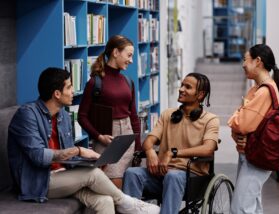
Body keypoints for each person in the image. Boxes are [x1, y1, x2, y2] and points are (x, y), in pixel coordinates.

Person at [7, 67, 160, 214]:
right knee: (91, 175)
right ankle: (126, 202)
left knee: (105, 200)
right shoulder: (27, 115)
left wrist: (90, 161)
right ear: (57, 94)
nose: (73, 91)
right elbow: (38, 156)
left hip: (65, 176)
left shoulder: (63, 116)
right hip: (38, 182)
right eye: (69, 87)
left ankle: (124, 203)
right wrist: (79, 150)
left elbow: (68, 156)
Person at [123, 73, 220, 214]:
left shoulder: (211, 120)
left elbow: (208, 149)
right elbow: (149, 141)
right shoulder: (168, 114)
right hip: (162, 175)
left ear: (200, 95)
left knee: (173, 176)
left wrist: (172, 153)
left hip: (191, 179)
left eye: (188, 87)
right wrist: (150, 152)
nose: (181, 89)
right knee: (132, 173)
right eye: (181, 85)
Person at [228, 44, 279, 214]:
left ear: (258, 61)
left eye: (246, 59)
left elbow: (241, 124)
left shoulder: (264, 92)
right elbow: (241, 121)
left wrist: (235, 120)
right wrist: (238, 120)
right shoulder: (258, 88)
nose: (243, 64)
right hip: (253, 154)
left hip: (256, 157)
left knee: (240, 208)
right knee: (252, 206)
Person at [78, 35, 140, 189]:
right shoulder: (95, 82)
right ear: (115, 52)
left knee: (129, 185)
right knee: (114, 187)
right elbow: (82, 116)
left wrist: (138, 147)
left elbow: (133, 116)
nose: (131, 60)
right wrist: (99, 136)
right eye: (129, 55)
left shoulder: (128, 81)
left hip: (128, 136)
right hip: (107, 140)